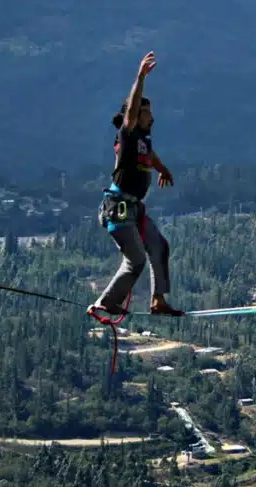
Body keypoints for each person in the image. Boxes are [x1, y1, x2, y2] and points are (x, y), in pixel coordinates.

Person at [89, 51, 185, 318]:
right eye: (146, 113)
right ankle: (106, 302)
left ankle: (158, 301)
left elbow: (151, 156)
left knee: (159, 246)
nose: (151, 118)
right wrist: (140, 77)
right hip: (118, 207)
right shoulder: (128, 134)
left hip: (134, 209)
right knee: (136, 260)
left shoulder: (143, 140)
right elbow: (131, 111)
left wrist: (162, 168)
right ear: (134, 116)